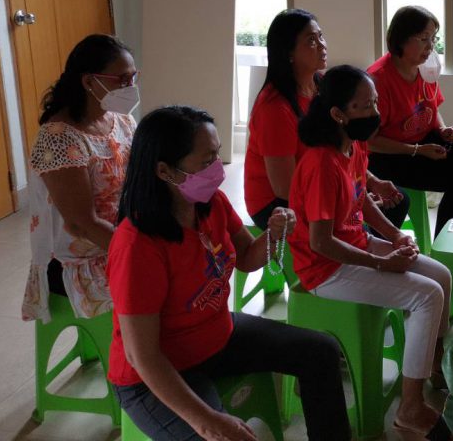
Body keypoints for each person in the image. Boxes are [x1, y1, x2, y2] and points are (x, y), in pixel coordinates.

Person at [109, 106, 350, 441]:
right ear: (165, 171)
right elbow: (143, 356)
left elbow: (248, 258)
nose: (217, 169)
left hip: (217, 337)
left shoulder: (212, 204)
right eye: (206, 161)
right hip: (155, 375)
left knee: (321, 351)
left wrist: (274, 233)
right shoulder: (137, 245)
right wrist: (207, 421)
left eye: (217, 154)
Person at [288, 66, 453, 440]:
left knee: (440, 275)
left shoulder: (354, 144)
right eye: (364, 106)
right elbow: (320, 242)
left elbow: (360, 196)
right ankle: (410, 408)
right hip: (325, 269)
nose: (375, 113)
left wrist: (396, 236)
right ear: (338, 114)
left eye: (375, 102)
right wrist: (381, 262)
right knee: (427, 296)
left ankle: (434, 364)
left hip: (356, 246)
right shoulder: (320, 164)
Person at [245, 8, 407, 231]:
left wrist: (371, 183)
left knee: (398, 201)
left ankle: (368, 243)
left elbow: (344, 154)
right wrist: (348, 198)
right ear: (288, 52)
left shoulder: (321, 85)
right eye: (311, 41)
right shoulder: (274, 109)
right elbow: (284, 187)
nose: (322, 45)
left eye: (321, 36)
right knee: (352, 229)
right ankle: (364, 246)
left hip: (324, 182)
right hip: (278, 206)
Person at [22, 34, 138, 323]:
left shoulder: (122, 121)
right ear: (89, 82)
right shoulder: (59, 138)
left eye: (133, 77)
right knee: (157, 295)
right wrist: (137, 255)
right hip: (80, 262)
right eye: (122, 79)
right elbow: (81, 224)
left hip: (119, 240)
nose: (131, 87)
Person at [367, 5, 453, 236]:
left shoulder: (425, 68)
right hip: (390, 156)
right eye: (424, 39)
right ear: (401, 39)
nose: (431, 46)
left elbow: (432, 108)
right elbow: (370, 141)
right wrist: (417, 150)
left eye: (433, 38)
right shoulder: (378, 80)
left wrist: (443, 130)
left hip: (422, 143)